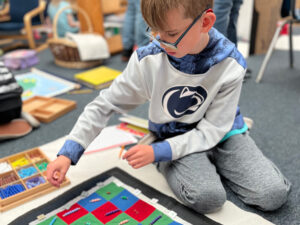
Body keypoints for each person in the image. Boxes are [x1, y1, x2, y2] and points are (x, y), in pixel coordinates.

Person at [47, 0, 291, 214]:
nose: (161, 42)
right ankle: (185, 163)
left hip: (223, 132)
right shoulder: (149, 59)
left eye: (171, 34)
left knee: (272, 194)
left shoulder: (230, 63)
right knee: (208, 197)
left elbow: (214, 129)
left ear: (205, 22)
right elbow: (105, 104)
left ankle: (204, 161)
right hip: (174, 134)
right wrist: (69, 151)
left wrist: (159, 152)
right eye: (154, 31)